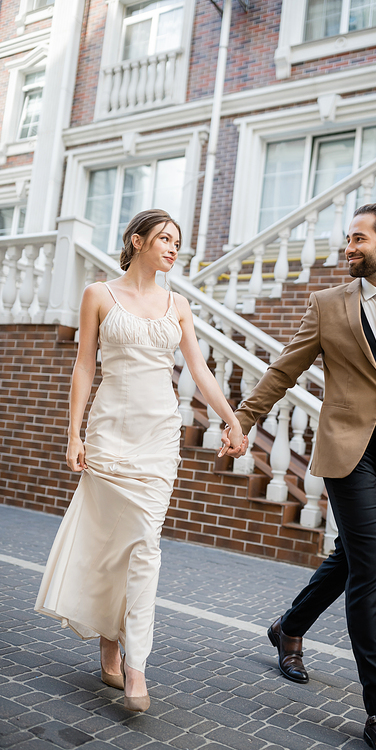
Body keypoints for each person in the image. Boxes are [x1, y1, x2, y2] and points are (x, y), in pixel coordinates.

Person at [222, 203, 376, 750]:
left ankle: (288, 627)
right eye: (347, 239)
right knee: (368, 571)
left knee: (351, 555)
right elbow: (284, 368)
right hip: (347, 454)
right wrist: (243, 421)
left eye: (356, 239)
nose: (347, 248)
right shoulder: (328, 305)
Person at [35, 209, 247, 713]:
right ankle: (109, 638)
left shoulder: (178, 305)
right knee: (111, 545)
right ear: (137, 241)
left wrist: (232, 419)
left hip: (158, 439)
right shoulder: (98, 296)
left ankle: (137, 665)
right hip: (109, 434)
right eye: (165, 239)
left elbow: (199, 368)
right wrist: (74, 434)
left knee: (145, 546)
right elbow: (84, 364)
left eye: (178, 242)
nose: (174, 249)